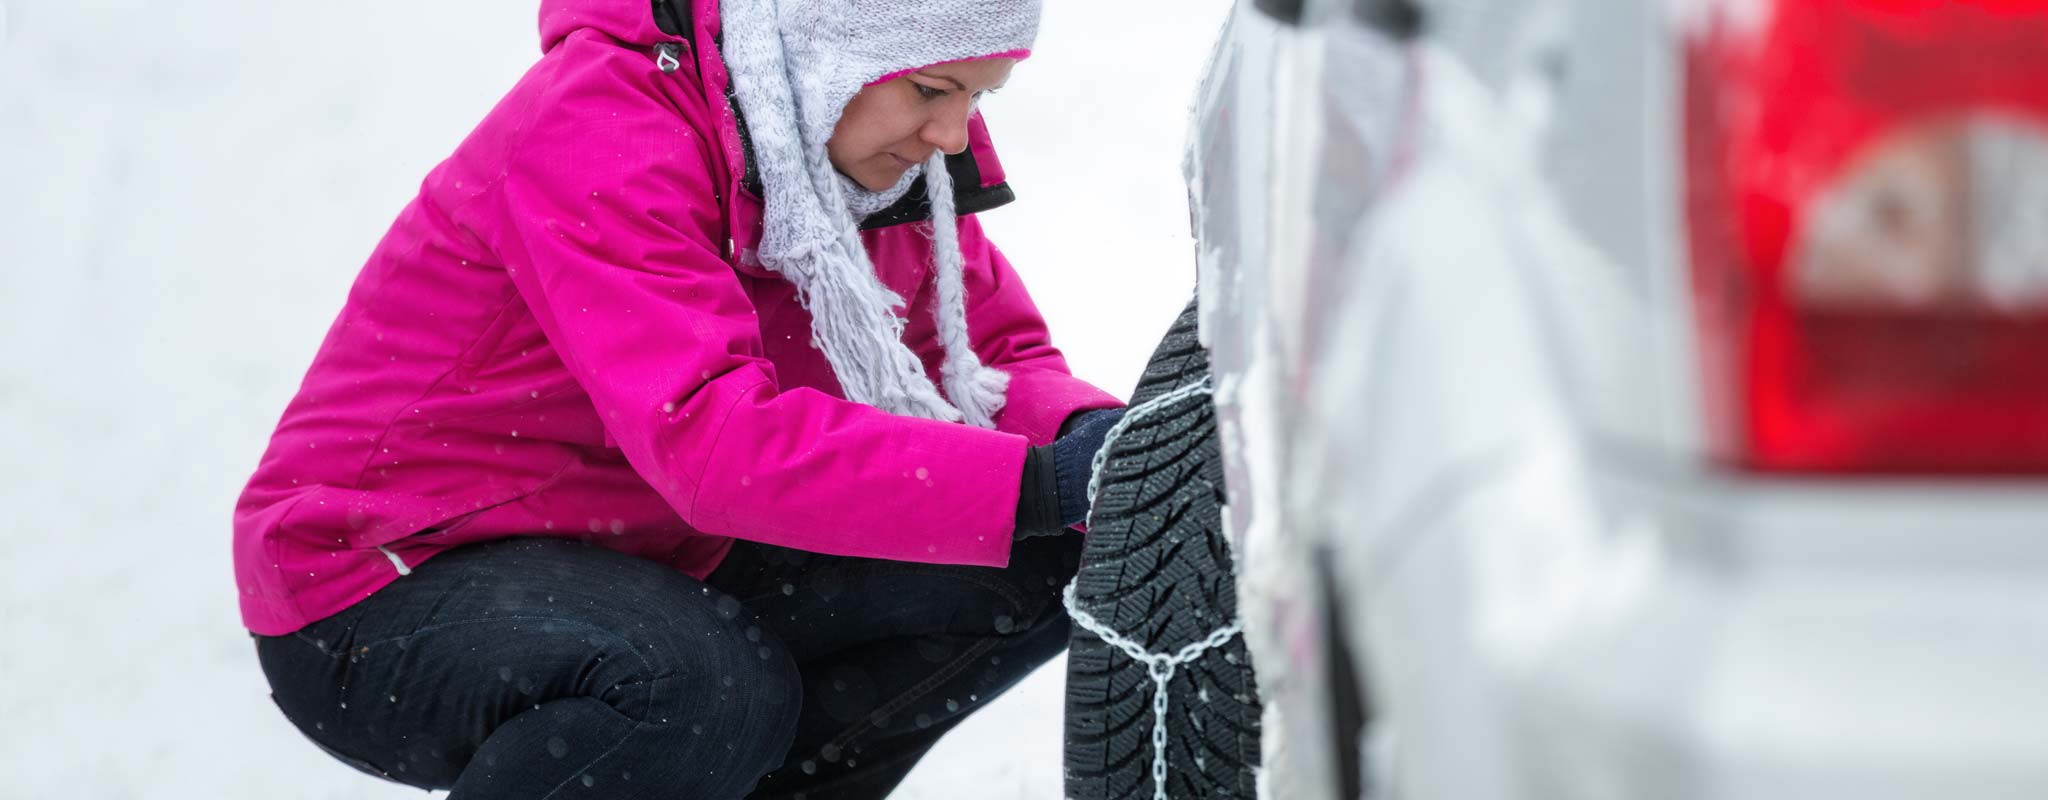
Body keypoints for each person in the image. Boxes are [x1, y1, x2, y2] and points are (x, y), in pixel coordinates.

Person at [234, 0, 1128, 796]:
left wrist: (1115, 449)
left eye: (980, 97)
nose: (953, 134)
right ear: (831, 43)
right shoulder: (602, 125)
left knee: (1056, 553)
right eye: (933, 87)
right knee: (699, 688)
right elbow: (714, 439)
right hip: (384, 576)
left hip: (657, 553)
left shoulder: (871, 164)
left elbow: (989, 362)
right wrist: (1047, 482)